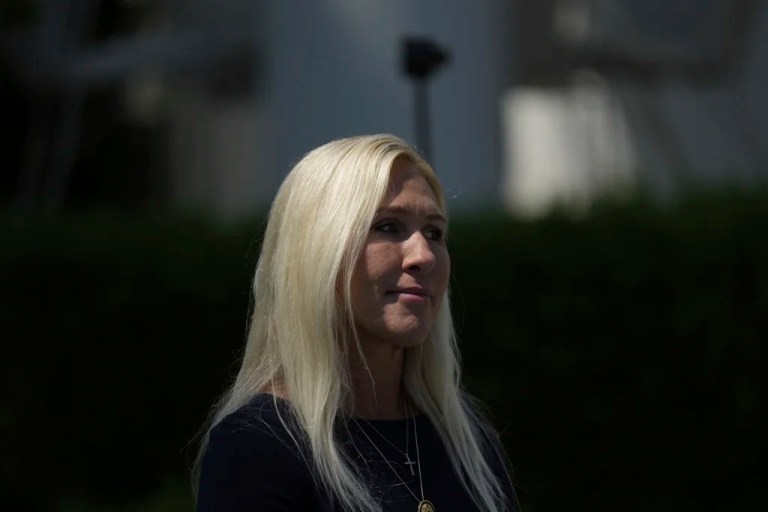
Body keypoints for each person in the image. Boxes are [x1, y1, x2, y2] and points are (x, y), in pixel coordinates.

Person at [194, 134, 516, 512]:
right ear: (316, 250)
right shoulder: (258, 446)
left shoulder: (467, 438)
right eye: (387, 226)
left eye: (434, 232)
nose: (424, 255)